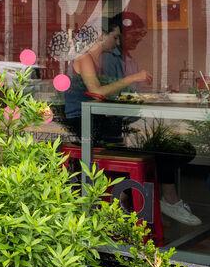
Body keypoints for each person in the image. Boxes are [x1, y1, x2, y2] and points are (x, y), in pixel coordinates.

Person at [63, 13, 201, 227]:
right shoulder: (84, 58)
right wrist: (132, 78)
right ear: (101, 36)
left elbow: (106, 93)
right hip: (85, 127)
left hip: (99, 124)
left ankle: (129, 202)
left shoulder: (97, 61)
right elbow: (97, 92)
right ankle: (137, 202)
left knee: (159, 149)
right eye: (115, 37)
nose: (117, 42)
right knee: (157, 150)